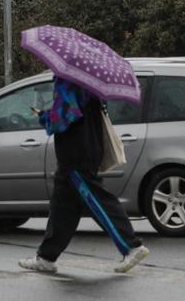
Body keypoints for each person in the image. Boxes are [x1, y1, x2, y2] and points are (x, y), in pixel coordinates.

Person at [19, 77, 150, 276]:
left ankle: (131, 246)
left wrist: (43, 116)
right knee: (62, 206)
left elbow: (63, 119)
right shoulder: (90, 84)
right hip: (88, 148)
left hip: (76, 153)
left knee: (97, 200)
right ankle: (47, 257)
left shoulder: (67, 83)